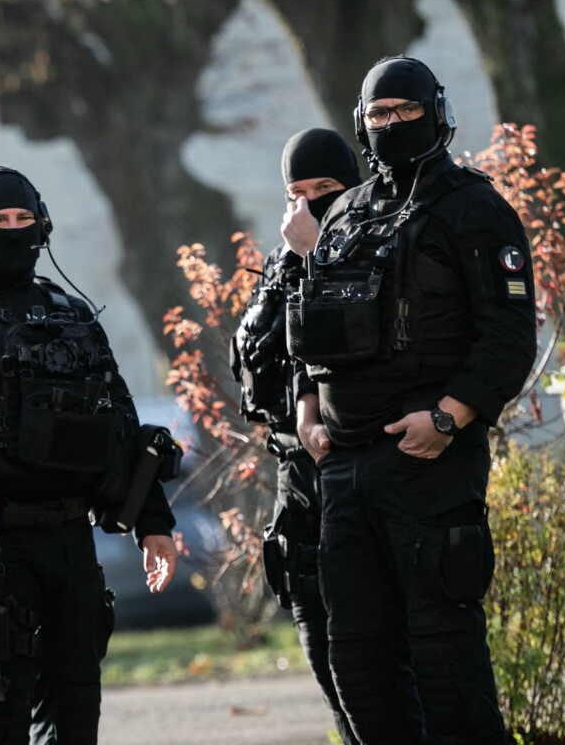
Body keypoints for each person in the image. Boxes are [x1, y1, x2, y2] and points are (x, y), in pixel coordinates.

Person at [288, 57, 538, 745]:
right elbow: (309, 331)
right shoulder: (344, 213)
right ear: (360, 124)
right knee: (360, 667)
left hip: (430, 463)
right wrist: (309, 412)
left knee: (444, 660)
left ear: (435, 111)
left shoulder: (473, 208)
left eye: (404, 110)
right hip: (346, 468)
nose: (391, 124)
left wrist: (449, 416)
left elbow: (510, 336)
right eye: (378, 114)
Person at [0, 165, 178, 745]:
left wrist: (153, 522)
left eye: (23, 219)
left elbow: (122, 420)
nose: (13, 231)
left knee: (76, 712)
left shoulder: (72, 312)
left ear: (42, 225)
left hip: (71, 537)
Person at [233, 128, 364, 744]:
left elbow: (354, 345)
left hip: (356, 475)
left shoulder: (371, 253)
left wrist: (321, 257)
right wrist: (297, 260)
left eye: (326, 190)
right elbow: (254, 369)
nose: (307, 207)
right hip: (297, 483)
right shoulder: (283, 264)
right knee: (327, 668)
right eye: (295, 193)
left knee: (379, 678)